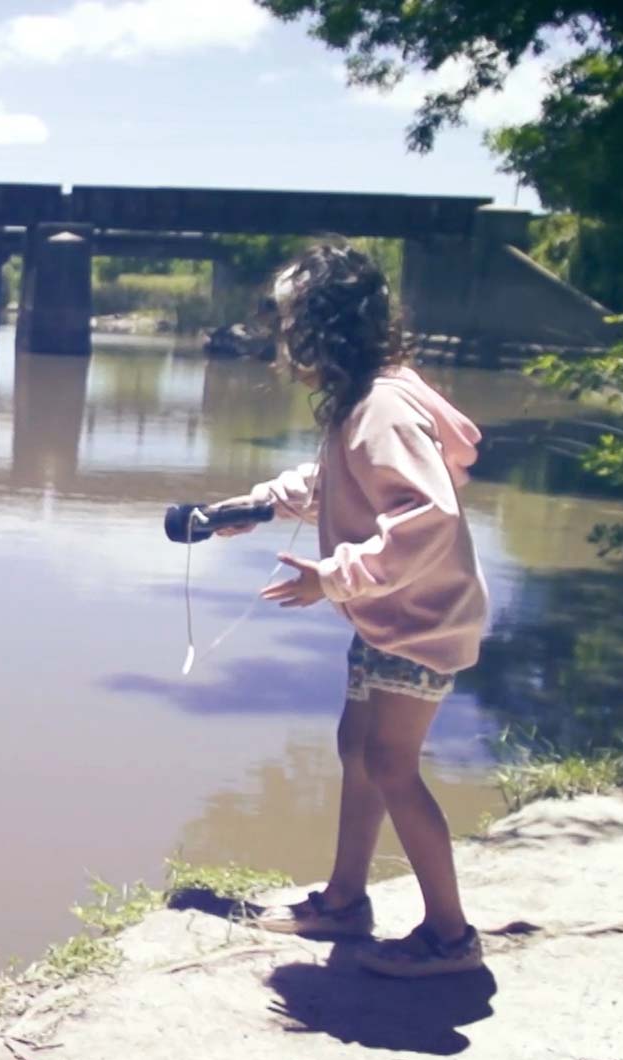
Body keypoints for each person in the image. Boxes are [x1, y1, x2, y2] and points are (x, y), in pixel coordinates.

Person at [206, 243, 490, 977]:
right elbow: (340, 480)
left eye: (291, 320)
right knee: (356, 748)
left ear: (324, 328)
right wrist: (264, 504)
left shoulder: (382, 407)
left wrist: (332, 577)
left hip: (422, 618)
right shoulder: (367, 397)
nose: (282, 336)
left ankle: (451, 936)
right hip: (391, 612)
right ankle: (344, 899)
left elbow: (424, 517)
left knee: (392, 764)